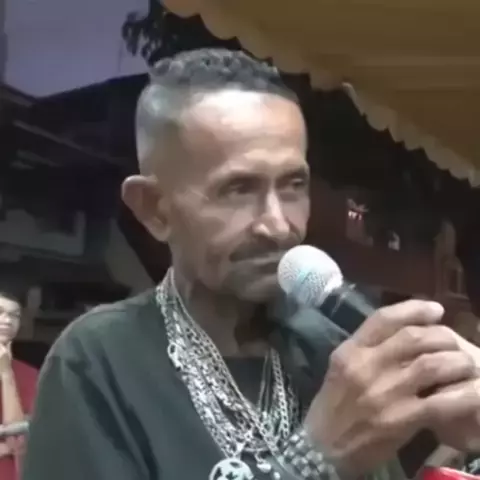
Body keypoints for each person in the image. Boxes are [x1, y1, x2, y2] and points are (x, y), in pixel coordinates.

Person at [22, 49, 480, 480]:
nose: (277, 225)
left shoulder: (330, 346)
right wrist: (314, 459)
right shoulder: (99, 360)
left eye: (294, 185)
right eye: (238, 189)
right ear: (154, 209)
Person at [0, 289, 38, 480]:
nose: (7, 320)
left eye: (14, 315)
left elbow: (19, 442)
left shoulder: (30, 375)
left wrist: (6, 372)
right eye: (0, 312)